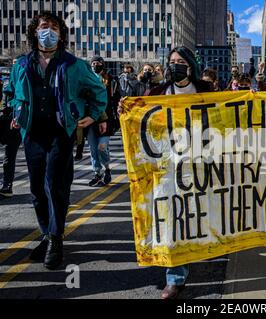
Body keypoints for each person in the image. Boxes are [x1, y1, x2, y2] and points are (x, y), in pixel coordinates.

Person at [5, 12, 107, 269]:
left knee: (55, 185)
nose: (47, 31)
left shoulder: (75, 65)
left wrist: (92, 115)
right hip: (32, 134)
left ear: (61, 34)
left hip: (61, 133)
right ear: (34, 32)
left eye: (53, 27)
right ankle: (46, 233)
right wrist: (17, 111)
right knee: (37, 189)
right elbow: (10, 92)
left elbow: (98, 91)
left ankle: (56, 239)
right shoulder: (21, 64)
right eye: (43, 26)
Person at [119, 46, 213, 299]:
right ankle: (175, 277)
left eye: (181, 61)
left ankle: (200, 250)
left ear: (191, 66)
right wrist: (127, 111)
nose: (175, 65)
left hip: (199, 163)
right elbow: (144, 122)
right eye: (172, 61)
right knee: (173, 217)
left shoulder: (206, 91)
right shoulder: (158, 92)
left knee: (195, 214)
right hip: (168, 166)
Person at [87, 55, 120, 187]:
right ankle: (97, 173)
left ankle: (107, 168)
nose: (95, 65)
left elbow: (117, 98)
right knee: (93, 149)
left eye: (98, 63)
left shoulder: (111, 81)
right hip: (90, 119)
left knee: (102, 147)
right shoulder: (87, 80)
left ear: (102, 64)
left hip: (106, 119)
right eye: (93, 63)